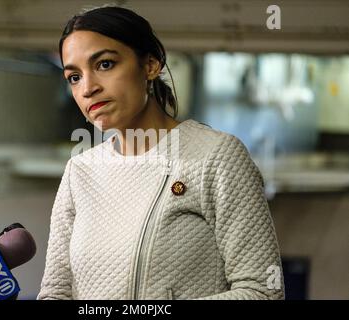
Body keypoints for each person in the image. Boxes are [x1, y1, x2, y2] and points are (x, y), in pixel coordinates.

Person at [38, 5, 284, 300]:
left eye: (104, 64)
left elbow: (263, 291)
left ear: (151, 65)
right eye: (74, 77)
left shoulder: (217, 157)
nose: (88, 88)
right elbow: (56, 293)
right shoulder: (80, 172)